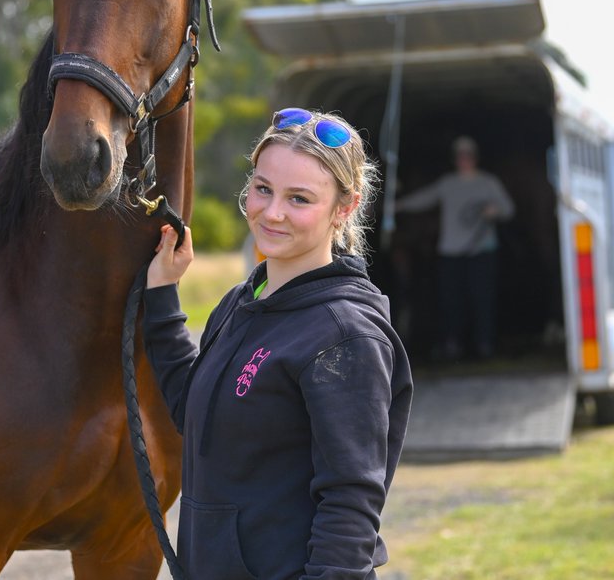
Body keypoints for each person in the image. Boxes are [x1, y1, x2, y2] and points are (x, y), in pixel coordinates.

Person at [144, 107, 413, 580]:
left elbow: (351, 504)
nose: (272, 212)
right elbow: (194, 411)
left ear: (344, 208)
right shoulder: (243, 301)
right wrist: (163, 294)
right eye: (263, 188)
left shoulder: (345, 334)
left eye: (300, 198)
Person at [394, 135, 514, 360]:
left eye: (468, 155)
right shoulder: (448, 184)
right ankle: (452, 344)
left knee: (482, 300)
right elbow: (424, 198)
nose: (464, 160)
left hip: (481, 253)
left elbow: (508, 209)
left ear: (475, 158)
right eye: (460, 156)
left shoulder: (488, 183)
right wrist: (398, 205)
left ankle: (484, 344)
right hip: (451, 253)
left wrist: (495, 211)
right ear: (455, 159)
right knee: (451, 301)